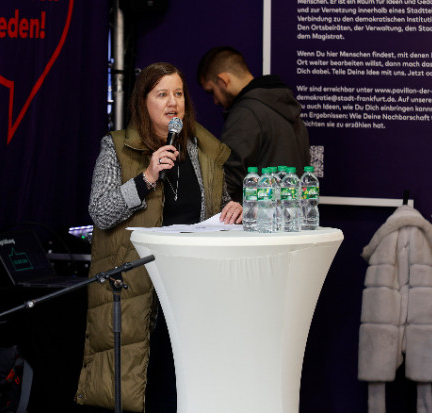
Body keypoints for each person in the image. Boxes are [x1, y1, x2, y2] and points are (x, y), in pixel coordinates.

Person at [75, 62, 242, 413]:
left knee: (183, 385)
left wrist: (234, 210)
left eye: (178, 94)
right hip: (137, 286)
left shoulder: (202, 150)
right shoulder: (117, 148)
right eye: (162, 94)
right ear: (143, 102)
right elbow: (101, 211)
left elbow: (221, 207)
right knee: (139, 387)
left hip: (191, 289)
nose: (172, 103)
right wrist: (147, 176)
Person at [197, 46, 310, 203]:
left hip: (257, 220)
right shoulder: (287, 108)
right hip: (290, 217)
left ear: (223, 81)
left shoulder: (246, 113)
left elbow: (226, 179)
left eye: (212, 91)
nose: (215, 101)